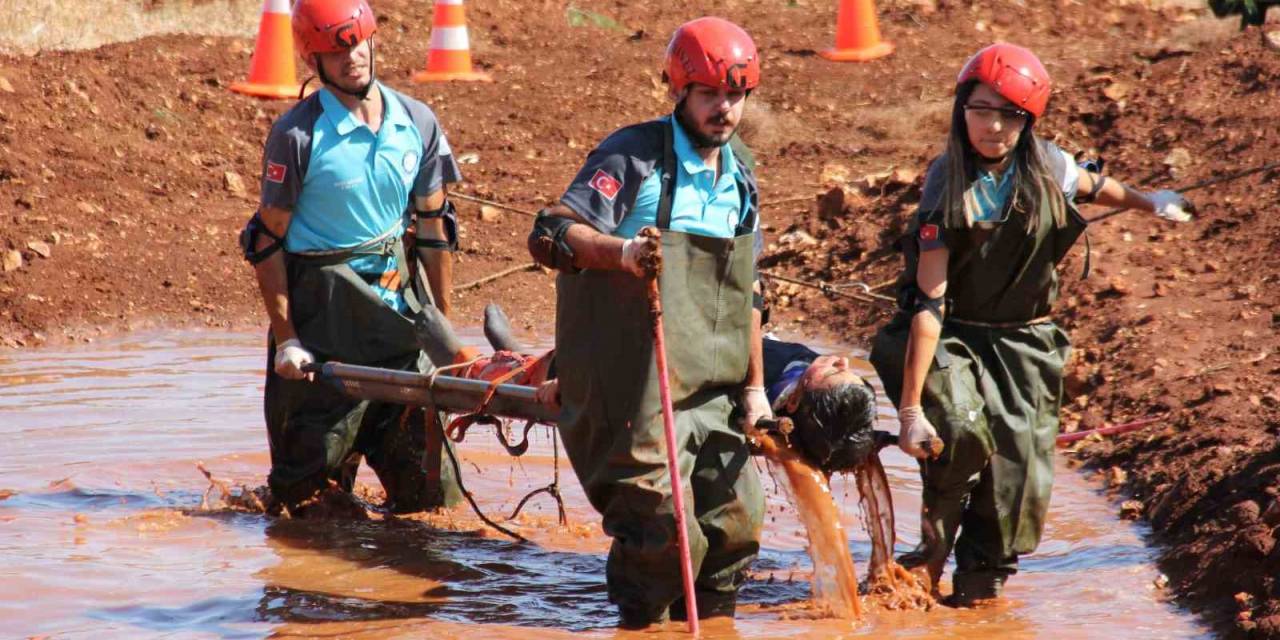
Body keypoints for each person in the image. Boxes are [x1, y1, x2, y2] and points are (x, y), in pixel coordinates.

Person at [868, 43, 1194, 606]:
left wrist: (1152, 202)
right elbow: (930, 302)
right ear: (960, 109)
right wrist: (911, 410)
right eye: (980, 109)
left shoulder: (1051, 165)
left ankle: (979, 591)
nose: (993, 126)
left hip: (1026, 343)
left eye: (1010, 114)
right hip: (951, 337)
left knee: (1016, 479)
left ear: (1030, 120)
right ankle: (925, 562)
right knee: (961, 435)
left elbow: (1098, 187)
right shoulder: (946, 181)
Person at [525, 17, 769, 628]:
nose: (723, 110)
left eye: (734, 97)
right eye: (709, 95)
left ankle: (715, 620)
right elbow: (552, 232)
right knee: (663, 529)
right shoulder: (632, 156)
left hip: (711, 384)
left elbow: (750, 295)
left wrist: (757, 391)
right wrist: (624, 253)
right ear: (678, 90)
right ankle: (638, 621)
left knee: (738, 521)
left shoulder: (740, 174)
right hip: (628, 384)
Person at [238, 0, 465, 515]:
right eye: (334, 51)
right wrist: (287, 339)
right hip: (324, 333)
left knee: (431, 502)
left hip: (397, 327)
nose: (352, 58)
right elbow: (265, 242)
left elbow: (433, 231)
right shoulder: (296, 136)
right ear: (312, 60)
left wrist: (444, 333)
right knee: (307, 510)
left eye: (358, 44)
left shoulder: (417, 121)